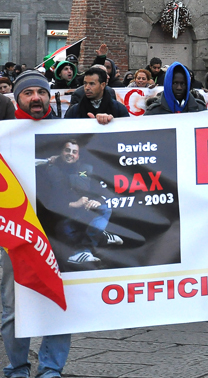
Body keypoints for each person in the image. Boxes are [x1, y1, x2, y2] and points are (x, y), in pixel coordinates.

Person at [1, 69, 118, 378]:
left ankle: (51, 368)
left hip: (61, 231)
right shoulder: (5, 133)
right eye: (28, 93)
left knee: (60, 298)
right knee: (13, 306)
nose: (36, 98)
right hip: (19, 233)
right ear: (17, 98)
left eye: (41, 92)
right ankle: (17, 368)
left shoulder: (68, 129)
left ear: (49, 96)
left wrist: (103, 124)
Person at [64, 67, 129, 121]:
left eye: (92, 84)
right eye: (85, 83)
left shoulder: (119, 109)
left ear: (102, 85)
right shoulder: (74, 110)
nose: (87, 87)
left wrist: (111, 122)